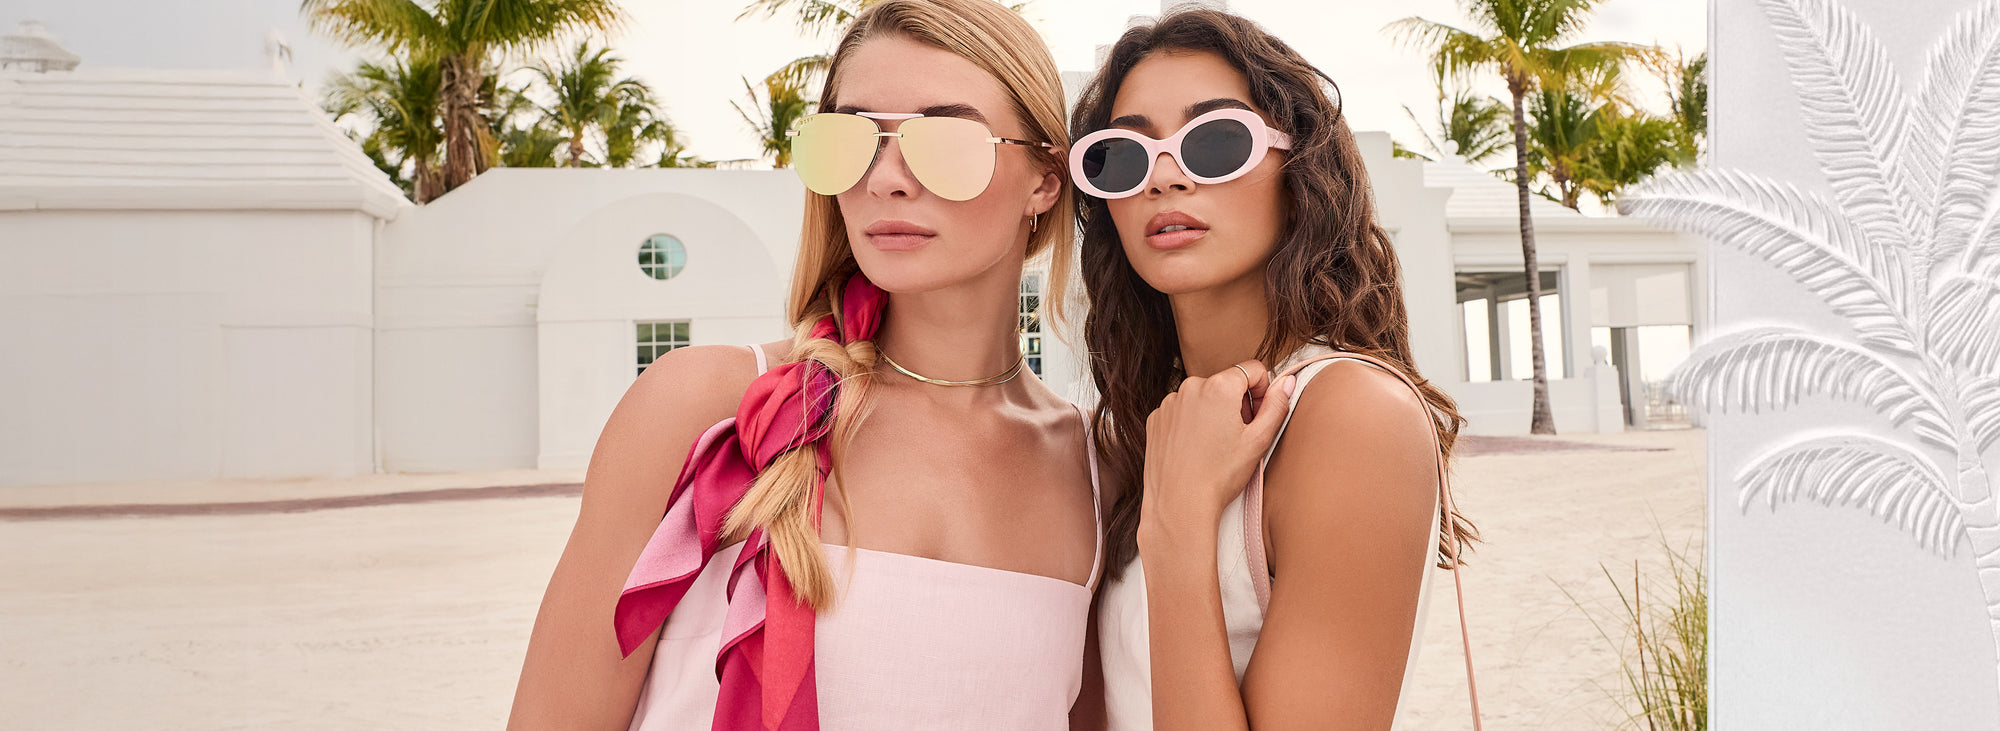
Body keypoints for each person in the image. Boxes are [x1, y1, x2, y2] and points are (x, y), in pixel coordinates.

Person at [507, 2, 1100, 728]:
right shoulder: (702, 405)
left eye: (945, 141)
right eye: (850, 140)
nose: (886, 178)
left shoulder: (1099, 471)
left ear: (1045, 179)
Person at [1069, 9, 1480, 730]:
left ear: (1300, 174)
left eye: (1216, 142)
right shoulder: (1151, 426)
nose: (1163, 177)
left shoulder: (1352, 414)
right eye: (1123, 157)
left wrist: (1179, 524)